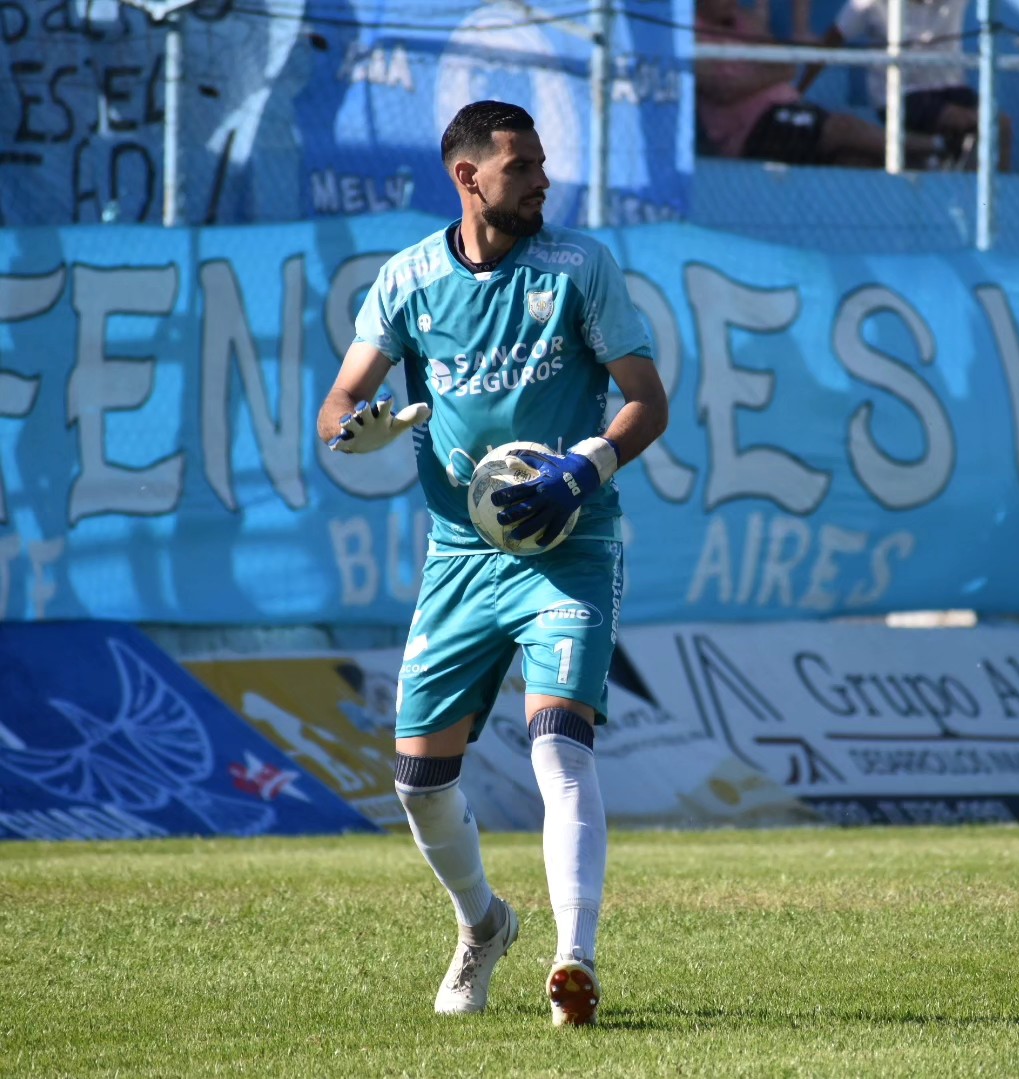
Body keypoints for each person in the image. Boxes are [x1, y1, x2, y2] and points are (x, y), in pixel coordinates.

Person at [316, 100, 669, 1026]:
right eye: (524, 168)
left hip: (569, 545)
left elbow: (647, 400)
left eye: (543, 164)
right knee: (418, 783)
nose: (544, 182)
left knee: (559, 742)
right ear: (468, 178)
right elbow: (338, 404)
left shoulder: (579, 266)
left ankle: (573, 961)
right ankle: (484, 925)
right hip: (462, 557)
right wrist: (360, 428)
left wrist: (583, 471)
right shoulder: (408, 279)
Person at [695, 0, 941, 166]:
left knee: (854, 159)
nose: (733, 2)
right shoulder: (693, 33)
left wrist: (753, 79)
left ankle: (930, 164)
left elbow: (786, 66)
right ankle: (937, 147)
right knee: (842, 128)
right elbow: (723, 90)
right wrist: (769, 76)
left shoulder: (745, 22)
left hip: (784, 110)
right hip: (752, 131)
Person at [798, 0, 1012, 171]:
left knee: (1000, 123)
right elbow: (832, 40)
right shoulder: (869, 4)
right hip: (901, 95)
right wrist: (800, 89)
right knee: (961, 119)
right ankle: (943, 155)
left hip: (952, 88)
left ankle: (990, 196)